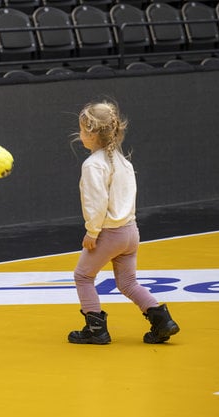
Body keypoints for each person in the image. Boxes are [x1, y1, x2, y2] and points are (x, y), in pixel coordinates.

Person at [68, 101, 180, 344]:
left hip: (108, 233)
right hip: (131, 232)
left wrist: (92, 232)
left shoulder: (93, 165)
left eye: (81, 130)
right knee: (128, 282)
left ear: (90, 133)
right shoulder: (124, 162)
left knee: (83, 276)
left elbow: (96, 203)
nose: (80, 135)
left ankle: (96, 329)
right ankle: (163, 321)